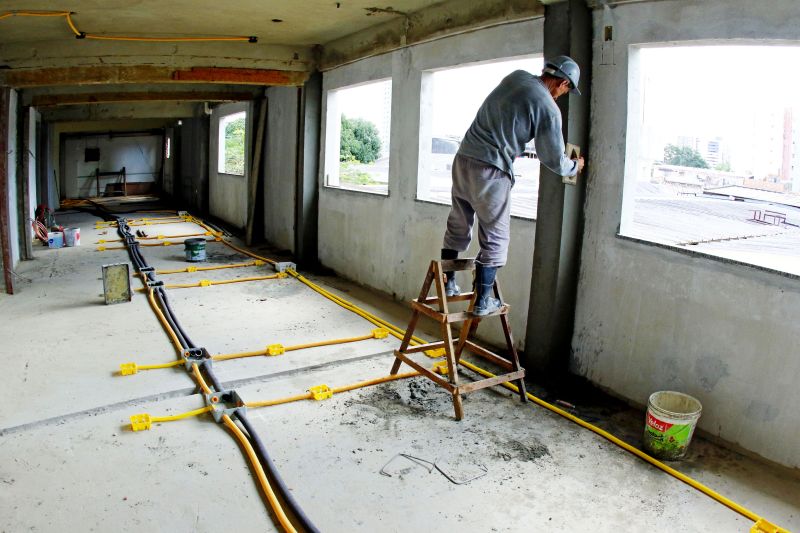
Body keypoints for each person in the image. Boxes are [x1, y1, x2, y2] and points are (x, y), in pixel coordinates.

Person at [441, 55, 586, 316]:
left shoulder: (516, 76)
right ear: (563, 83)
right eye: (565, 91)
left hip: (463, 159)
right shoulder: (549, 108)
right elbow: (552, 157)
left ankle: (449, 283)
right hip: (491, 169)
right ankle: (483, 302)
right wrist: (574, 166)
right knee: (496, 236)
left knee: (459, 221)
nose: (561, 96)